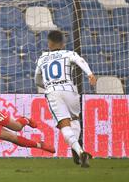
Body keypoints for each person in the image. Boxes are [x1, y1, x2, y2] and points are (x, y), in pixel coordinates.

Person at [34, 30, 96, 168]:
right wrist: (90, 74)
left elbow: (37, 79)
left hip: (53, 92)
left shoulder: (42, 58)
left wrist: (47, 85)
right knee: (75, 120)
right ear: (63, 43)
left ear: (49, 43)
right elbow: (80, 61)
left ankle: (79, 151)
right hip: (70, 90)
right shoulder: (69, 53)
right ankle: (76, 149)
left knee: (64, 124)